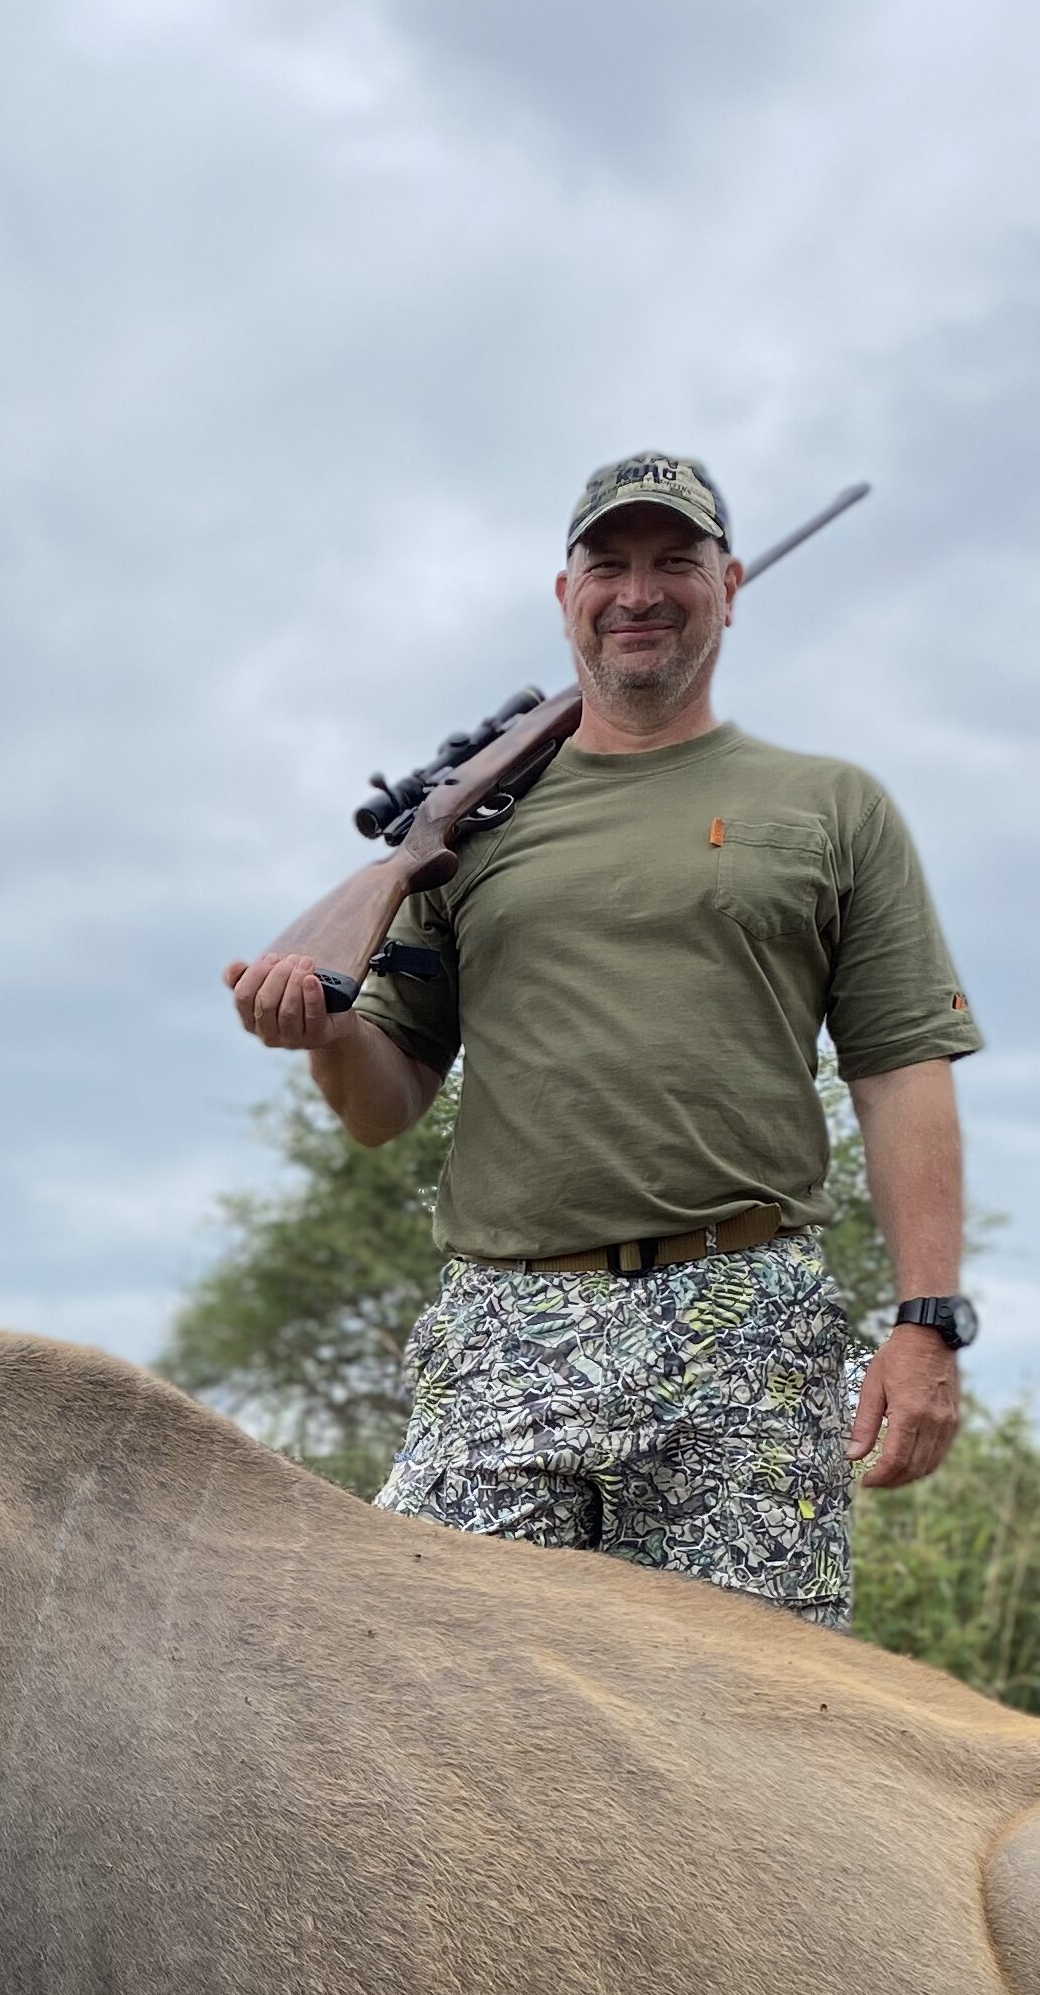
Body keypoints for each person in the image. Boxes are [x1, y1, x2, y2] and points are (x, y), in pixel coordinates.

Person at [221, 449, 981, 1630]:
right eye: (608, 563)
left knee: (743, 1735)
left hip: (746, 1322)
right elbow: (386, 1104)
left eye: (675, 562)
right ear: (563, 590)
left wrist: (927, 1324)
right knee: (425, 1703)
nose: (640, 592)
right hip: (503, 1330)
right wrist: (323, 1035)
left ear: (729, 586)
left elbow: (899, 1068)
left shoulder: (832, 806)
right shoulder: (464, 836)